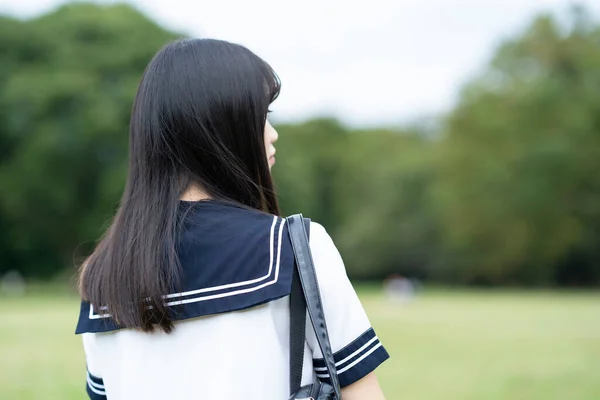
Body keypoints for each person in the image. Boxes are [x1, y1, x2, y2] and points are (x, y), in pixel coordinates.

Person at [75, 38, 389, 400]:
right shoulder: (295, 248)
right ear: (222, 124)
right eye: (262, 116)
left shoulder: (101, 276)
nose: (273, 134)